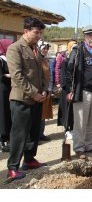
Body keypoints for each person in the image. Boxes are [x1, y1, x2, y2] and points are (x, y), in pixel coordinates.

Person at [6, 17, 48, 181]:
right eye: (36, 32)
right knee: (19, 134)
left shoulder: (35, 48)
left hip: (37, 98)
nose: (39, 36)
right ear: (26, 31)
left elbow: (41, 72)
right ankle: (12, 168)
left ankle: (29, 160)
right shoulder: (15, 49)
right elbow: (17, 76)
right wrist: (34, 93)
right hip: (22, 99)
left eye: (40, 33)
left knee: (34, 132)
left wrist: (44, 90)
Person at [66, 25, 92, 159]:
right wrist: (70, 90)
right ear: (85, 36)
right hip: (82, 91)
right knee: (80, 121)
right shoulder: (78, 50)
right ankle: (79, 148)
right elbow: (70, 70)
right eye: (90, 35)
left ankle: (90, 146)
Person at [57, 41, 77, 140]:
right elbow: (63, 77)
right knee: (67, 111)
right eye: (73, 48)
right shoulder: (66, 61)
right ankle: (67, 130)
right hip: (67, 90)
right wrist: (69, 90)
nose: (75, 50)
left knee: (74, 111)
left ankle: (73, 128)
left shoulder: (78, 61)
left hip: (76, 89)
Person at [38, 40, 53, 141]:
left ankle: (40, 134)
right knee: (38, 114)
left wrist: (50, 89)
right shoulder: (37, 60)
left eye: (46, 49)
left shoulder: (45, 60)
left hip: (46, 90)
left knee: (43, 113)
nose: (45, 50)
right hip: (39, 91)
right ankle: (35, 135)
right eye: (43, 49)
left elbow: (49, 76)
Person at [0, 39, 13, 153]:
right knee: (3, 115)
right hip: (2, 90)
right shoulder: (0, 59)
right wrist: (11, 75)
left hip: (9, 90)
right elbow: (1, 75)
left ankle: (8, 139)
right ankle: (3, 140)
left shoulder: (7, 58)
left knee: (8, 114)